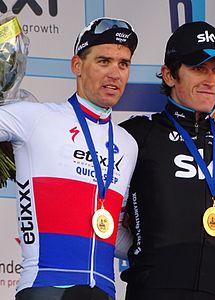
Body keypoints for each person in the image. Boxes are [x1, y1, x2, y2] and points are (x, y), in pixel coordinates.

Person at [0, 17, 139, 300]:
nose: (115, 73)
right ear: (77, 65)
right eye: (103, 61)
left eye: (123, 64)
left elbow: (115, 236)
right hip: (46, 286)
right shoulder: (34, 118)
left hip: (103, 290)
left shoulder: (127, 144)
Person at [119, 21, 215, 300]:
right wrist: (145, 254)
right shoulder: (139, 133)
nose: (210, 80)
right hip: (153, 290)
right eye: (198, 68)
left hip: (212, 291)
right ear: (169, 75)